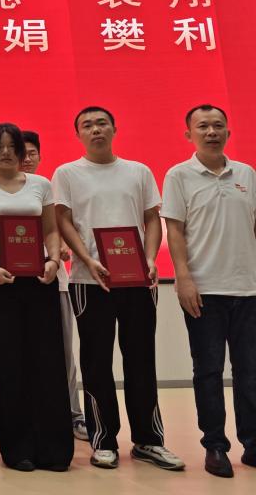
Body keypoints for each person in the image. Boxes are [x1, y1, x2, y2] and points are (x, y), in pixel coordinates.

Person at [53, 108, 184, 471]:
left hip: (137, 281)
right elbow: (62, 219)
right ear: (78, 134)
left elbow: (151, 218)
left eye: (102, 123)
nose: (96, 129)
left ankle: (149, 440)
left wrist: (150, 259)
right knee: (96, 363)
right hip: (89, 280)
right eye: (87, 125)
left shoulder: (138, 171)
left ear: (114, 128)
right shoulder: (67, 173)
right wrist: (86, 260)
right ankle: (103, 441)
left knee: (141, 359)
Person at [0, 123, 72, 472]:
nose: (7, 152)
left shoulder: (41, 184)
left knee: (47, 360)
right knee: (6, 362)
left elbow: (51, 229)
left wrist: (53, 260)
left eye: (13, 146)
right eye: (0, 146)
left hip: (39, 277)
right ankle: (17, 448)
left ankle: (54, 447)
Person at [163, 104, 256, 478]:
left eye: (218, 125)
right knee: (208, 371)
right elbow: (174, 231)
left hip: (247, 289)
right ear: (189, 134)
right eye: (203, 126)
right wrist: (183, 278)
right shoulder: (178, 175)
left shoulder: (246, 173)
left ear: (229, 132)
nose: (211, 131)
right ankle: (215, 446)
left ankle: (253, 443)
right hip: (203, 290)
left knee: (250, 371)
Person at [21, 131, 87, 442]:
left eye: (32, 153)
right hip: (14, 283)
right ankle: (33, 414)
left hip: (54, 282)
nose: (27, 158)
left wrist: (61, 247)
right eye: (21, 153)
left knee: (63, 353)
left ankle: (73, 414)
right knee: (24, 353)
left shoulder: (50, 190)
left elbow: (63, 229)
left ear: (40, 156)